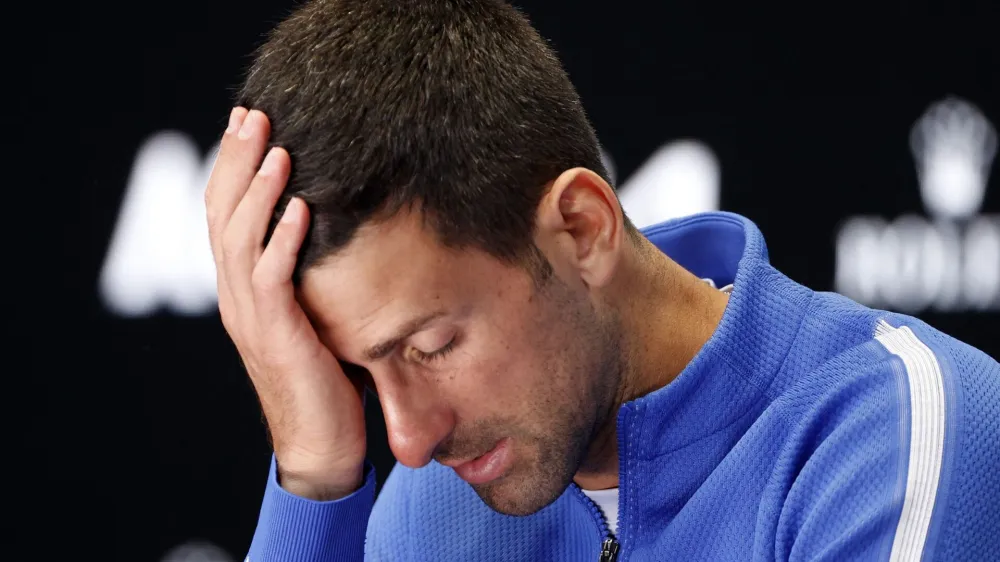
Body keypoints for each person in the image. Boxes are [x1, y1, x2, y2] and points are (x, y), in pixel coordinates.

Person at [204, 1, 1000, 560]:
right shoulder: (433, 509)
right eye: (360, 371)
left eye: (432, 345)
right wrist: (313, 477)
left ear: (583, 228)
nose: (408, 442)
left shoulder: (900, 432)